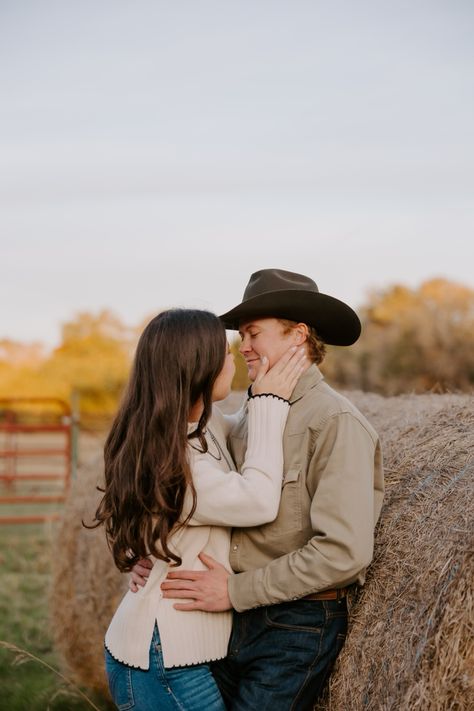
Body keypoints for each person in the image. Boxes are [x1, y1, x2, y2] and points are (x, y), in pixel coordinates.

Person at [133, 270, 384, 710]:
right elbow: (184, 485)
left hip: (295, 623)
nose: (242, 346)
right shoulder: (253, 412)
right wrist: (147, 551)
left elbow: (344, 552)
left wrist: (235, 591)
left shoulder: (335, 423)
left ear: (298, 336)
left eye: (253, 333)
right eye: (241, 335)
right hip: (233, 616)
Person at [91, 307, 307, 711]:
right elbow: (259, 499)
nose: (236, 357)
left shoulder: (194, 428)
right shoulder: (177, 466)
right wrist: (270, 399)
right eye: (225, 351)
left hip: (171, 654)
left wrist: (269, 386)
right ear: (198, 367)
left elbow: (246, 426)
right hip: (162, 662)